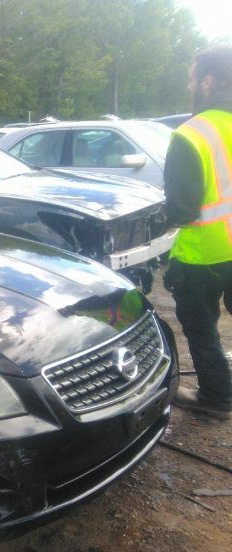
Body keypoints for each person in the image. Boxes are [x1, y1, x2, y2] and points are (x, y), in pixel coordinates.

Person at [164, 43, 232, 420]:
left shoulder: (192, 134)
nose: (189, 85)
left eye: (192, 79)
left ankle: (217, 399)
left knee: (202, 329)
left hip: (203, 254)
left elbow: (182, 209)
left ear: (207, 82)